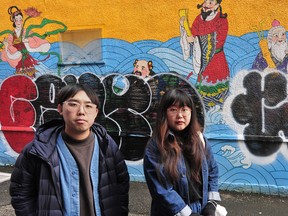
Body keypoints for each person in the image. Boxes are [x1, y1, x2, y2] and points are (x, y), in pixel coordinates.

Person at [9, 84, 130, 216]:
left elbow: (122, 187)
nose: (81, 111)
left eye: (88, 106)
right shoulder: (38, 150)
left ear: (96, 113)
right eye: (73, 104)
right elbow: (21, 193)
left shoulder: (107, 146)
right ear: (60, 108)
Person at [143, 89, 221, 216]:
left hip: (201, 209)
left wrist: (211, 203)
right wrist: (187, 214)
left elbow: (212, 171)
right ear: (165, 113)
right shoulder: (156, 147)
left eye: (184, 109)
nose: (180, 115)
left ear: (191, 112)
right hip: (172, 212)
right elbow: (162, 190)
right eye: (173, 110)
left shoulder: (200, 139)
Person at [180, 0, 229, 84]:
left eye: (210, 3)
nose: (206, 5)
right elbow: (193, 35)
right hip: (202, 62)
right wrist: (184, 27)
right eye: (205, 2)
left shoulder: (222, 20)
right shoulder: (198, 19)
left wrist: (195, 40)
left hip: (216, 61)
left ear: (217, 6)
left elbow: (219, 41)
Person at [1, 6, 51, 77]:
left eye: (20, 19)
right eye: (16, 20)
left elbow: (36, 38)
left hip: (26, 58)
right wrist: (6, 46)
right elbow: (9, 46)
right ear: (14, 21)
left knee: (30, 75)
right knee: (20, 77)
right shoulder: (11, 34)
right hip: (18, 59)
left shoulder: (26, 31)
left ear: (22, 20)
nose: (18, 22)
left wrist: (27, 41)